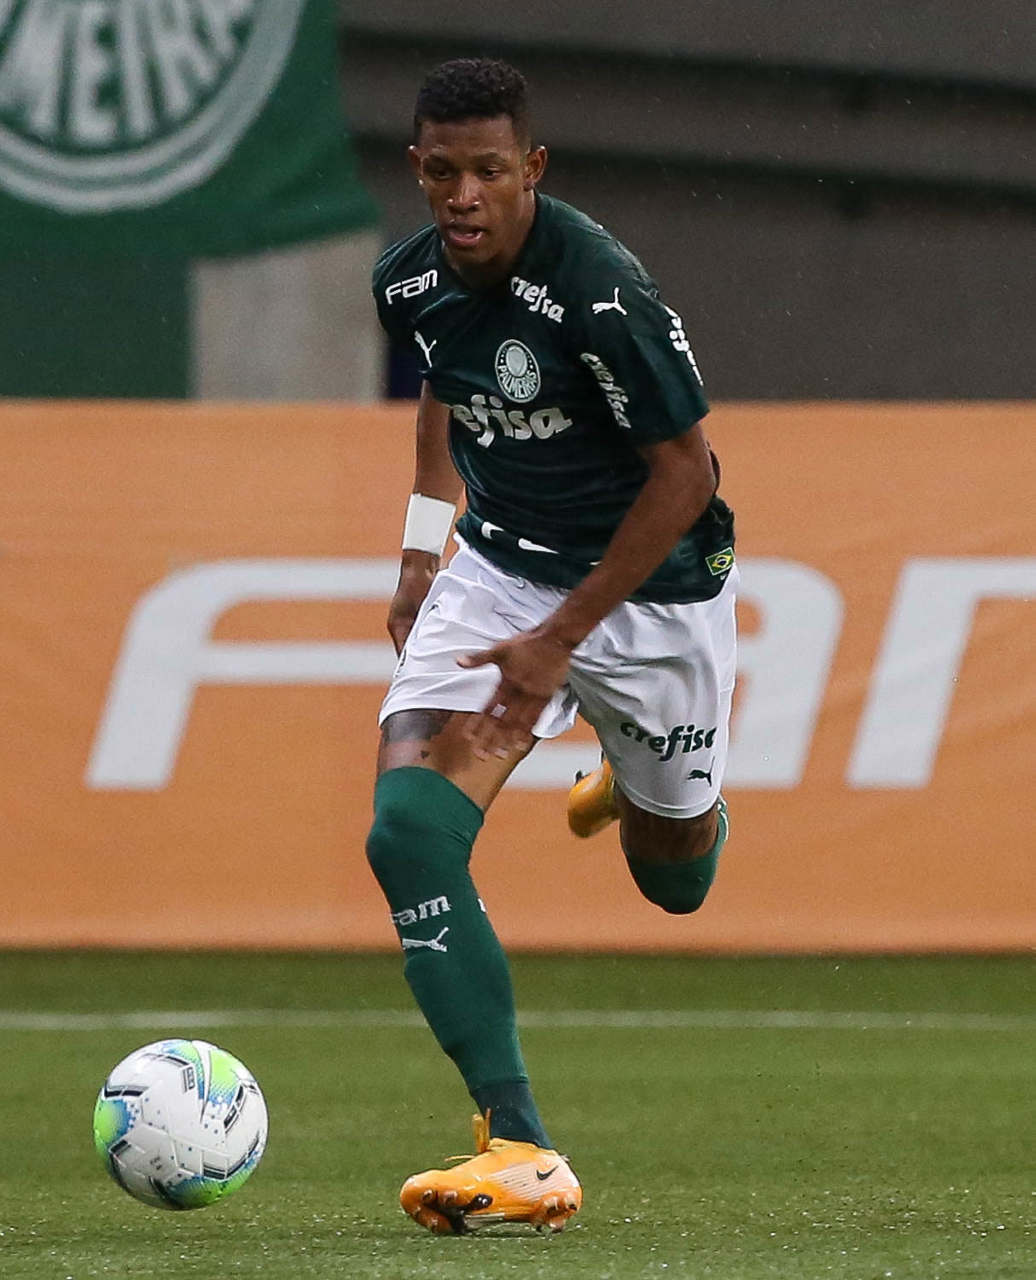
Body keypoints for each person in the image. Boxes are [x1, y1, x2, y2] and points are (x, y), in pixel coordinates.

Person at [366, 56, 737, 1236]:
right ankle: (520, 1143)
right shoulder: (409, 278)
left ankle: (638, 776)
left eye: (487, 170)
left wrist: (557, 640)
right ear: (416, 169)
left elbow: (688, 478)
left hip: (650, 593)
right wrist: (421, 548)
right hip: (495, 568)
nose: (462, 195)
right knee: (406, 830)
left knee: (675, 880)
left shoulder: (601, 295)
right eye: (441, 171)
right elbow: (444, 383)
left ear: (531, 168)